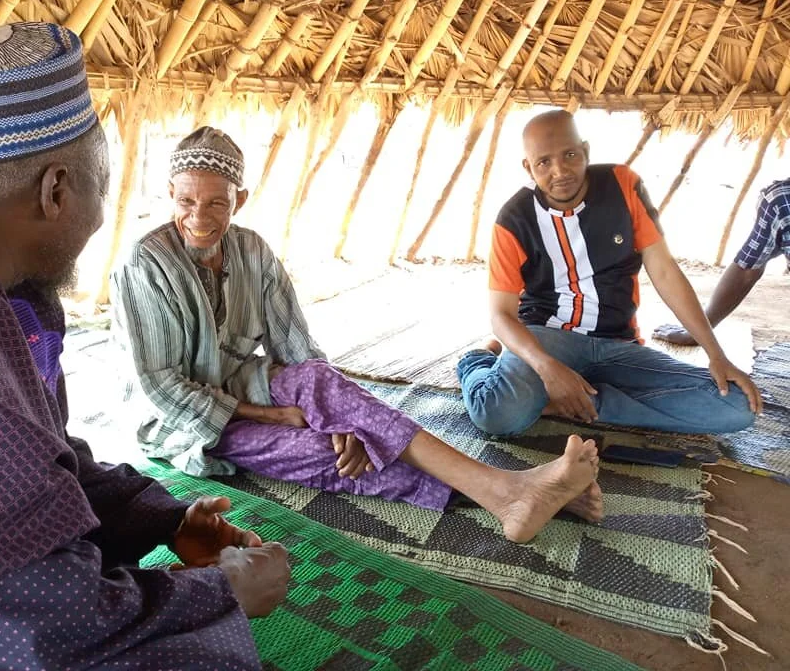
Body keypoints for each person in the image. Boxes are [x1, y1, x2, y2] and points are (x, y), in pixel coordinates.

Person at [0, 20, 289, 670]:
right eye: (100, 184)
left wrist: (158, 516)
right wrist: (223, 592)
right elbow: (36, 616)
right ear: (56, 191)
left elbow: (27, 465)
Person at [111, 126, 603, 546]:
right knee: (330, 456)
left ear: (240, 199)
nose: (199, 216)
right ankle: (521, 494)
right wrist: (275, 416)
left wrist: (340, 415)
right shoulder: (146, 263)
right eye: (185, 201)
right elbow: (160, 386)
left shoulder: (252, 250)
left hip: (241, 381)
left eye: (217, 201)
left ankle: (518, 495)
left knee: (350, 421)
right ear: (169, 195)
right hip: (188, 423)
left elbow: (299, 351)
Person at [457, 109, 761, 439]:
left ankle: (577, 403)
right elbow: (501, 316)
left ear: (585, 151)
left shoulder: (623, 186)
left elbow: (664, 272)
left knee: (738, 406)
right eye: (544, 162)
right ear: (528, 167)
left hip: (618, 345)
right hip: (548, 339)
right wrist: (547, 368)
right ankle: (476, 362)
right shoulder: (514, 218)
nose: (560, 171)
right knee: (497, 416)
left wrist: (716, 355)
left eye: (569, 155)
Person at [653, 178, 790, 346]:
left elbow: (747, 271)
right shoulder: (782, 202)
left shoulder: (781, 200)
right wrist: (699, 331)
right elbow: (746, 270)